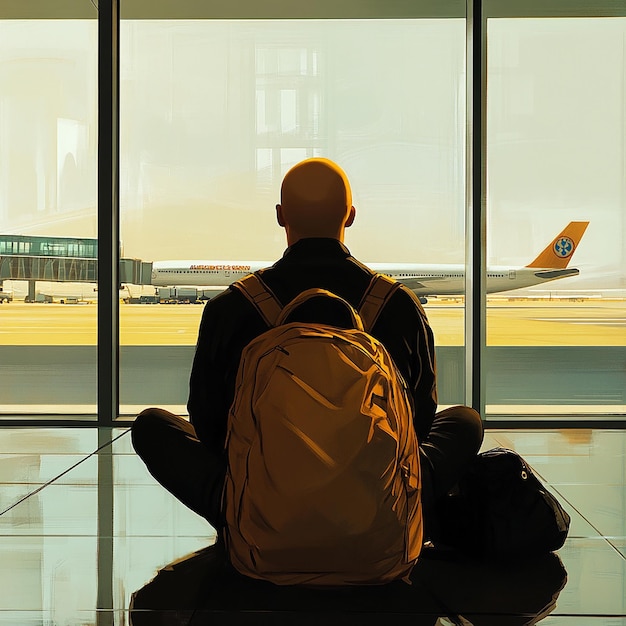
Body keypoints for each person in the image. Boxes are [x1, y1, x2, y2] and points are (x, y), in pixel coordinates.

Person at [131, 157, 484, 548]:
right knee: (466, 421)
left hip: (263, 507)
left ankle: (242, 519)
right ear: (350, 217)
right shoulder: (397, 304)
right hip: (375, 501)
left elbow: (209, 422)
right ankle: (397, 515)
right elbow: (419, 417)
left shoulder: (230, 307)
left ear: (281, 216)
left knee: (151, 426)